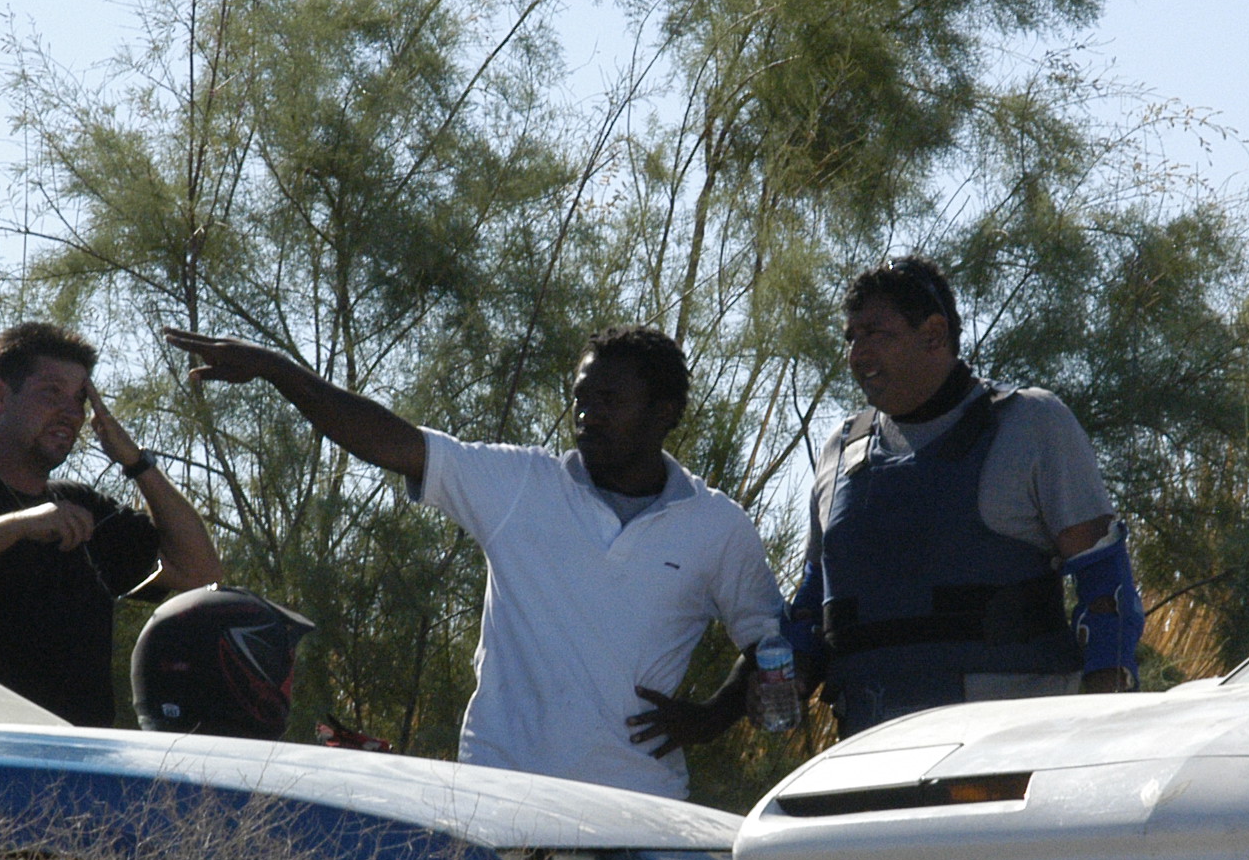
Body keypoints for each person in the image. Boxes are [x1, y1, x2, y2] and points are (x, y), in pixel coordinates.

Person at [162, 322, 785, 799]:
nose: (587, 414)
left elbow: (770, 642)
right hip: (501, 794)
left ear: (665, 413)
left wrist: (711, 718)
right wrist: (279, 371)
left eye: (611, 399)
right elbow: (394, 441)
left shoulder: (716, 526)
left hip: (639, 804)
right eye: (581, 397)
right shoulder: (521, 485)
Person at [788, 255, 1142, 734]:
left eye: (876, 334)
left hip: (1007, 746)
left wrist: (1107, 721)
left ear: (934, 334)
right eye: (851, 337)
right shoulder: (841, 450)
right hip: (868, 749)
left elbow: (1107, 589)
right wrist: (781, 678)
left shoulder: (1030, 423)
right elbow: (814, 601)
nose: (857, 354)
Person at [0, 321, 223, 724]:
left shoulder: (84, 508)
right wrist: (17, 526)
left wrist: (135, 461)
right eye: (52, 393)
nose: (71, 413)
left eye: (80, 400)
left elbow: (199, 572)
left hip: (75, 770)